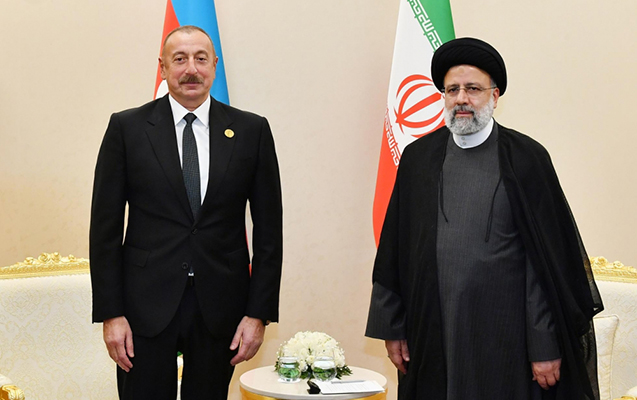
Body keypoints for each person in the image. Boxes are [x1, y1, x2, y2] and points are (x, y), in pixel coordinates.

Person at [365, 37, 603, 400]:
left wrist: (544, 343)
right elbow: (394, 249)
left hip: (507, 338)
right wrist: (392, 327)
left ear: (494, 96)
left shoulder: (527, 159)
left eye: (473, 89)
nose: (461, 98)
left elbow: (545, 267)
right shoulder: (418, 159)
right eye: (452, 90)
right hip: (431, 332)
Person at [90, 25, 283, 400]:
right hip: (143, 307)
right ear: (162, 67)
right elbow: (104, 230)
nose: (191, 69)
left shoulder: (251, 130)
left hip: (221, 307)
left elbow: (269, 233)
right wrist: (111, 314)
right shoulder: (127, 128)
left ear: (215, 66)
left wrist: (258, 314)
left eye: (200, 58)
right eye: (179, 59)